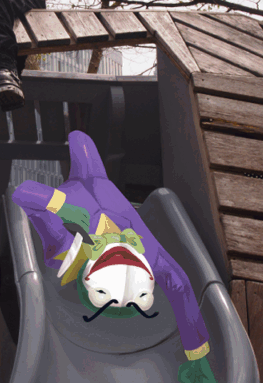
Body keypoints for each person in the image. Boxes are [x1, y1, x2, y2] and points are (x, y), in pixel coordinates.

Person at [12, 131, 219, 383]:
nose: (122, 257)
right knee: (79, 138)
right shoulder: (151, 255)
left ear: (90, 270)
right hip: (97, 181)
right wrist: (197, 359)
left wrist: (63, 205)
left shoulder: (68, 252)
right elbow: (182, 288)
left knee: (79, 138)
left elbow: (23, 191)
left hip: (81, 198)